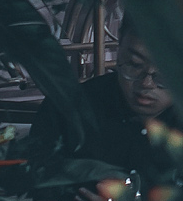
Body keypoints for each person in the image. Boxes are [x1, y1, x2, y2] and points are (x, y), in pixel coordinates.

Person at [24, 31, 170, 192]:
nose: (146, 83)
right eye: (134, 64)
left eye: (165, 71)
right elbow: (31, 182)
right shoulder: (66, 109)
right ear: (118, 54)